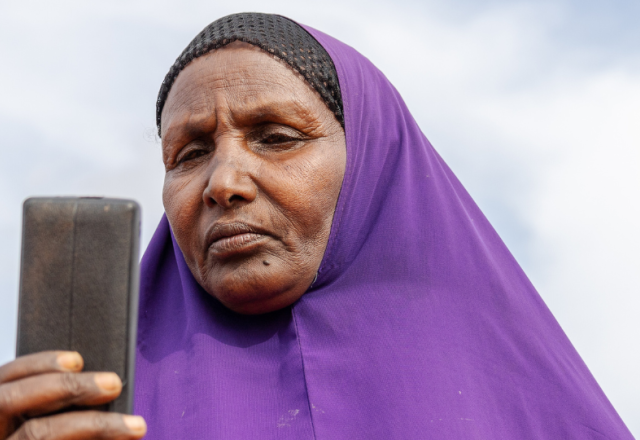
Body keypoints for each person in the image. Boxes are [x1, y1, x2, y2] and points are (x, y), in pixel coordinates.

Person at [0, 12, 633, 440]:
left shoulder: (523, 399)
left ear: (372, 165)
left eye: (276, 138)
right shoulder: (90, 408)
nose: (224, 182)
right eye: (189, 154)